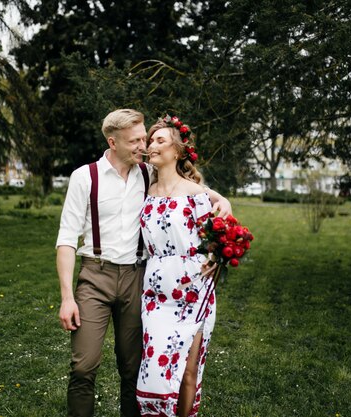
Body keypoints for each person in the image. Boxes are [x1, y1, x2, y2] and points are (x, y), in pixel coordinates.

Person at [56, 109, 231, 417]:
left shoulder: (148, 173)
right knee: (83, 366)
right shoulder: (84, 177)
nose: (144, 146)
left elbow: (195, 190)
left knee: (132, 367)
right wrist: (67, 297)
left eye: (145, 138)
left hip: (138, 277)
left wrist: (224, 201)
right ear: (113, 142)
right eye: (136, 140)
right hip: (95, 276)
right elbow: (67, 239)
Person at [136, 115, 219, 417]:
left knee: (188, 369)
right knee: (155, 368)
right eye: (150, 140)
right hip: (156, 292)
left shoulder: (197, 195)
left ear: (179, 150)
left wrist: (214, 259)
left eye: (160, 140)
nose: (151, 146)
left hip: (192, 290)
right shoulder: (145, 191)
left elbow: (218, 241)